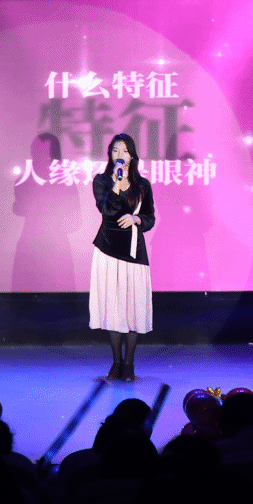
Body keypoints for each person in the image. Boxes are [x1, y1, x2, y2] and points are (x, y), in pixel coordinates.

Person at [90, 132, 155, 381]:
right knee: (114, 308)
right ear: (110, 154)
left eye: (125, 151)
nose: (120, 155)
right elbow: (105, 209)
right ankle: (116, 362)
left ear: (132, 156)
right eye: (116, 150)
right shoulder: (101, 181)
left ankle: (129, 364)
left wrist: (136, 218)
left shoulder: (143, 185)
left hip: (133, 251)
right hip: (107, 250)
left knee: (132, 309)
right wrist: (116, 184)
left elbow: (149, 218)